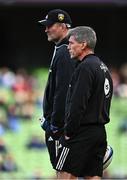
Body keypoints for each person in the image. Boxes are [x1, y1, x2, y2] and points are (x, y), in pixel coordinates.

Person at [55, 26, 113, 179]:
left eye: (71, 43)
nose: (68, 47)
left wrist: (69, 132)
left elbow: (77, 104)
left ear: (83, 44)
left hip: (80, 132)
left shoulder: (85, 68)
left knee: (64, 175)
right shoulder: (103, 67)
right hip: (99, 133)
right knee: (92, 176)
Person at [38, 9, 75, 169]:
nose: (46, 29)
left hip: (60, 128)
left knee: (64, 171)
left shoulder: (65, 51)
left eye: (50, 25)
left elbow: (63, 91)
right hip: (61, 125)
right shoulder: (62, 49)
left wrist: (56, 125)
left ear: (63, 26)